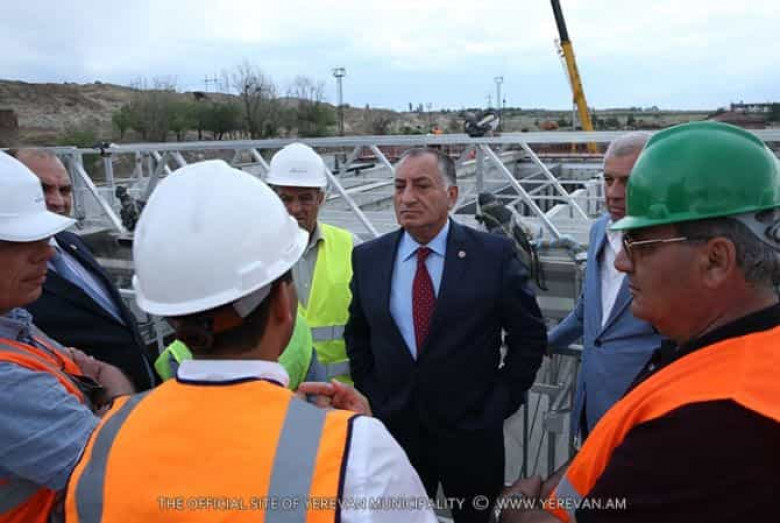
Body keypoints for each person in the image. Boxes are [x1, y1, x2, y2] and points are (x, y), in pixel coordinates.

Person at [65, 160, 437, 523]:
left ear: (169, 313)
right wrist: (360, 437)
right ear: (284, 306)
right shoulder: (354, 452)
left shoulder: (104, 437)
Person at [500, 121, 780, 523]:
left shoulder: (704, 423)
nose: (621, 261)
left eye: (641, 245)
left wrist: (516, 512)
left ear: (716, 260)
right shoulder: (730, 364)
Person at [345, 147, 547, 523]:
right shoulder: (369, 258)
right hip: (396, 433)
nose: (407, 198)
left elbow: (529, 336)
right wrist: (377, 397)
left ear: (451, 195)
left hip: (471, 437)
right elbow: (358, 335)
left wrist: (497, 405)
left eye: (421, 186)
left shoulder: (492, 255)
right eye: (400, 186)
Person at [0, 151, 135, 523]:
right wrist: (118, 397)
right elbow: (123, 470)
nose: (46, 252)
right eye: (19, 241)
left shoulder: (15, 321)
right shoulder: (7, 382)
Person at [547, 132, 662, 439]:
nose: (613, 193)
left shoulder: (673, 247)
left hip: (643, 411)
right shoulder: (599, 230)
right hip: (592, 404)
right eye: (608, 180)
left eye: (628, 182)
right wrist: (545, 343)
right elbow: (588, 310)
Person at [12, 148, 156, 390]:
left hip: (141, 391)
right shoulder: (13, 278)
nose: (58, 201)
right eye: (43, 189)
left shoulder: (72, 243)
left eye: (64, 190)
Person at [266, 142, 356, 383]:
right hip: (281, 396)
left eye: (305, 198)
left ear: (321, 198)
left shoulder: (351, 247)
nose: (295, 209)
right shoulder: (256, 255)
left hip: (341, 393)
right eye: (286, 199)